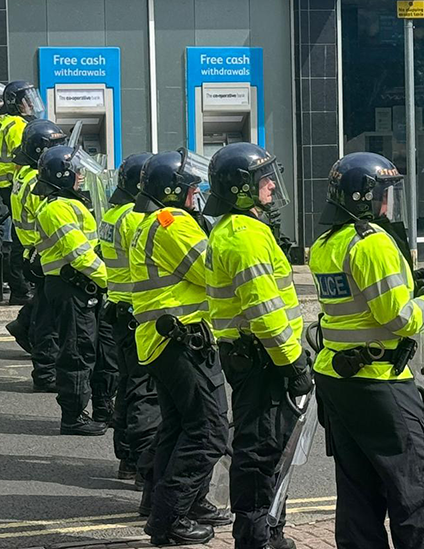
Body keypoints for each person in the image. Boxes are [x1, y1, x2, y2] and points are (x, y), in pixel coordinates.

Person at [309, 152, 424, 549]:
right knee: (420, 486)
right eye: (384, 193)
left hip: (339, 378)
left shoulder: (326, 243)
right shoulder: (372, 242)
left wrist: (414, 282)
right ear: (364, 197)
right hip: (381, 380)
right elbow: (401, 319)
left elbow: (360, 301)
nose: (389, 202)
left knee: (359, 493)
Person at [203, 143, 314, 549]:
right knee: (260, 450)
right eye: (262, 179)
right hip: (264, 358)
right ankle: (256, 535)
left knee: (267, 446)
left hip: (252, 355)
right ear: (240, 189)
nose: (271, 185)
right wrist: (294, 364)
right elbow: (265, 313)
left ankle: (268, 528)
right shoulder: (247, 237)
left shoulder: (238, 230)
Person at [130, 150, 230, 545]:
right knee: (209, 431)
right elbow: (213, 273)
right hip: (181, 340)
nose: (197, 198)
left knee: (179, 425)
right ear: (173, 193)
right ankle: (169, 520)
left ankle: (172, 501)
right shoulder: (173, 224)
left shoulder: (158, 220)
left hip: (166, 340)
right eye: (192, 191)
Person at [31, 145, 109, 436]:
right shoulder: (56, 208)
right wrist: (109, 281)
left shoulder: (68, 203)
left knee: (87, 347)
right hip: (70, 286)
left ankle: (89, 408)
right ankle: (73, 416)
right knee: (77, 350)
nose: (79, 176)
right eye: (75, 172)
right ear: (62, 175)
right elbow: (80, 255)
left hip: (77, 285)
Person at [101, 152, 159, 485]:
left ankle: (126, 457)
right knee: (145, 391)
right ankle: (141, 462)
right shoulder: (136, 218)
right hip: (137, 310)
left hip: (118, 308)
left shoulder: (112, 215)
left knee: (126, 386)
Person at [8, 119, 67, 392]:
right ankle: (46, 372)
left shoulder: (23, 173)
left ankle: (21, 324)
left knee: (43, 304)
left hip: (29, 249)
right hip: (43, 252)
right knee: (49, 317)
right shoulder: (37, 180)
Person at [0, 80, 44, 305]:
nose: (31, 105)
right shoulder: (17, 126)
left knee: (19, 233)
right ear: (15, 103)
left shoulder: (5, 121)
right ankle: (20, 287)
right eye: (27, 101)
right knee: (21, 234)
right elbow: (23, 158)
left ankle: (20, 286)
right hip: (16, 183)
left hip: (7, 184)